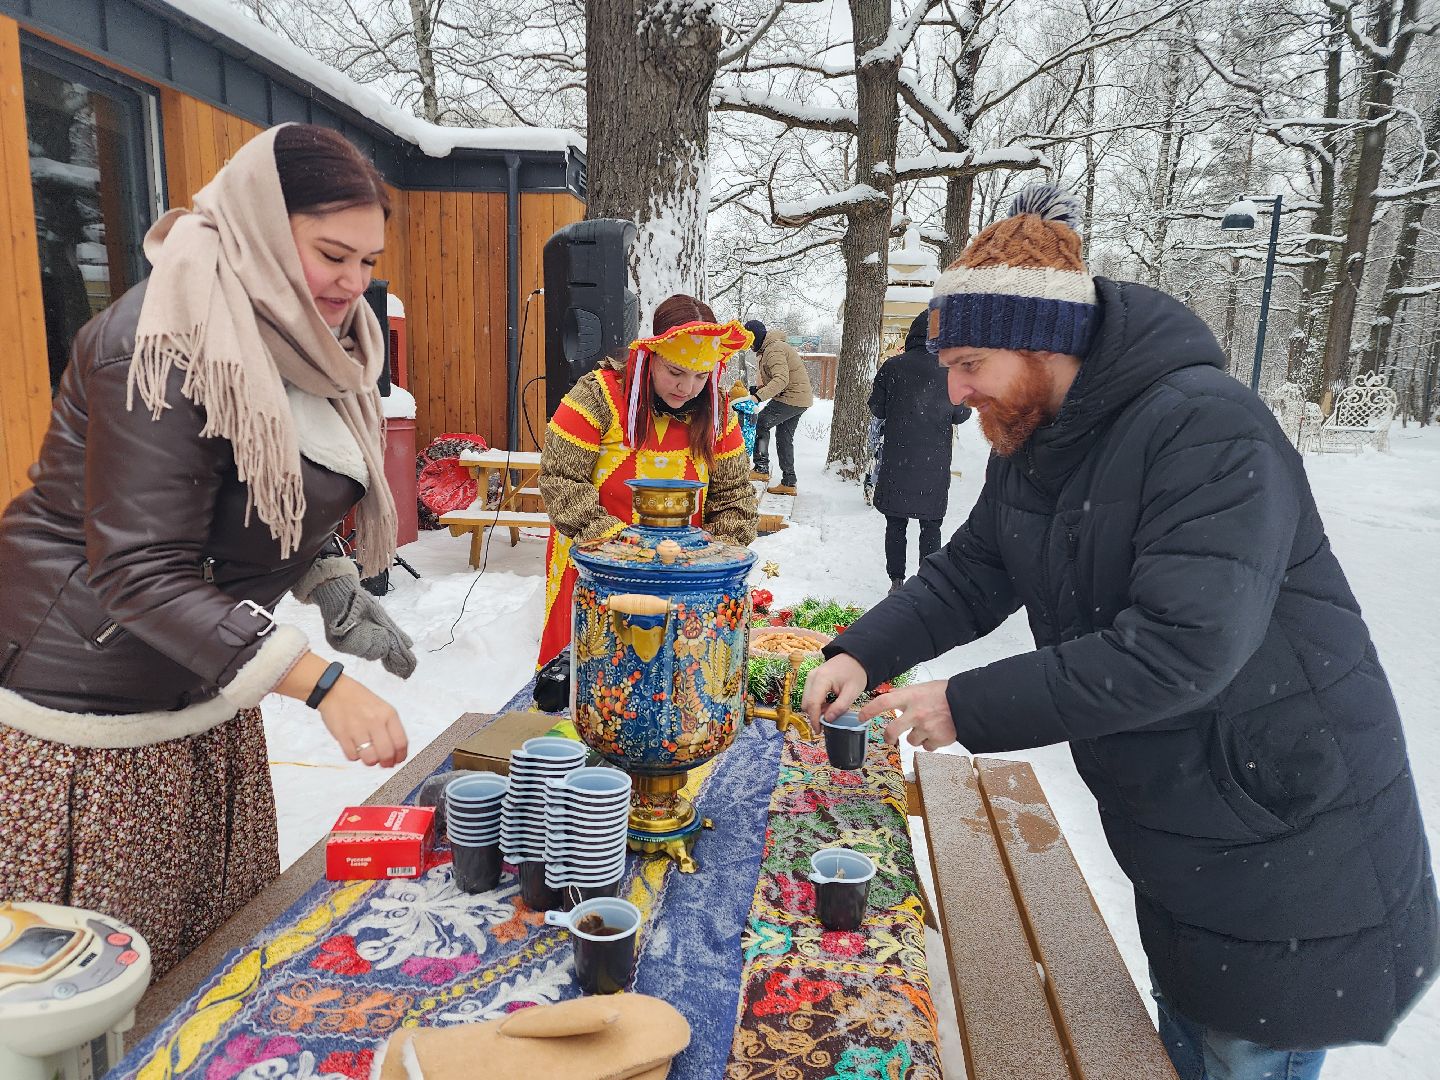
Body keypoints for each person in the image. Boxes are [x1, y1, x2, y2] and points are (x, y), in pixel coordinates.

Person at [802, 184, 1437, 1080]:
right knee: (1182, 1044)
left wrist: (963, 705)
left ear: (1043, 344)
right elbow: (972, 571)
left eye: (970, 361)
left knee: (1236, 1054)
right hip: (1194, 830)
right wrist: (861, 650)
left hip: (1288, 845)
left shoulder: (1208, 429)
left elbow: (1183, 648)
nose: (952, 391)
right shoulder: (1037, 436)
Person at [0, 124, 417, 978]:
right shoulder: (158, 342)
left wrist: (329, 575)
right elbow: (139, 570)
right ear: (263, 228)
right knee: (112, 984)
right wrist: (321, 684)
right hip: (89, 708)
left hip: (202, 679)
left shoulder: (300, 336)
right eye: (333, 254)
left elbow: (256, 490)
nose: (354, 284)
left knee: (208, 958)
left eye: (369, 262)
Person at [537, 295, 759, 668]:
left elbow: (734, 498)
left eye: (701, 376)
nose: (687, 388)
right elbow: (561, 480)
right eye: (675, 371)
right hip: (595, 569)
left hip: (681, 581)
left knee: (674, 685)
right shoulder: (597, 395)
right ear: (650, 355)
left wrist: (710, 568)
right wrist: (622, 552)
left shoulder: (719, 415)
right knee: (590, 676)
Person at [869, 310, 971, 593]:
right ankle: (925, 582)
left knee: (896, 522)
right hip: (933, 462)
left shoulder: (892, 367)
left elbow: (876, 407)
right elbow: (961, 414)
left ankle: (896, 580)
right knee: (930, 525)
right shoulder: (951, 372)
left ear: (911, 335)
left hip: (897, 459)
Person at [743, 319, 814, 496]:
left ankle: (761, 469)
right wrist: (758, 389)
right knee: (784, 438)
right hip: (799, 399)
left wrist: (758, 397)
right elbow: (777, 377)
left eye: (750, 340)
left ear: (756, 337)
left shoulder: (773, 349)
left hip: (791, 397)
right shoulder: (771, 348)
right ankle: (789, 482)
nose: (749, 345)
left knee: (761, 423)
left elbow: (781, 380)